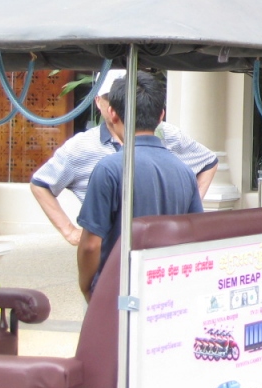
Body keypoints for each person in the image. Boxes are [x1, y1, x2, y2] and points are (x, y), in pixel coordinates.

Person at [30, 69, 216, 246]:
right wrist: (69, 231)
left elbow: (208, 161)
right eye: (111, 98)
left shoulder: (167, 134)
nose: (122, 105)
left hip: (163, 245)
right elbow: (41, 184)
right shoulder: (80, 147)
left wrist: (190, 204)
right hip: (110, 248)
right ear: (98, 102)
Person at [76, 72, 204, 300]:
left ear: (112, 113)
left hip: (118, 294)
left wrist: (87, 288)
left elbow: (90, 246)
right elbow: (195, 238)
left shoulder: (109, 169)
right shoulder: (185, 172)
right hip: (167, 294)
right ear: (161, 115)